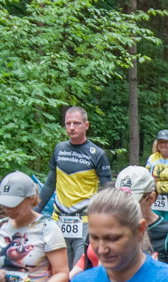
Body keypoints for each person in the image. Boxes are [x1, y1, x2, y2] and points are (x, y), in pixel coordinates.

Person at [38, 106, 114, 268]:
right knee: (60, 269)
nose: (72, 128)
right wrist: (35, 211)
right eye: (68, 123)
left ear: (86, 125)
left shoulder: (97, 154)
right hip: (59, 219)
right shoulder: (59, 149)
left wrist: (107, 219)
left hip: (85, 220)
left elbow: (108, 190)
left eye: (77, 123)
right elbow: (50, 184)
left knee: (80, 269)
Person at [117, 166, 168, 274]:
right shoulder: (110, 229)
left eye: (133, 203)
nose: (125, 208)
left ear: (151, 198)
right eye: (120, 202)